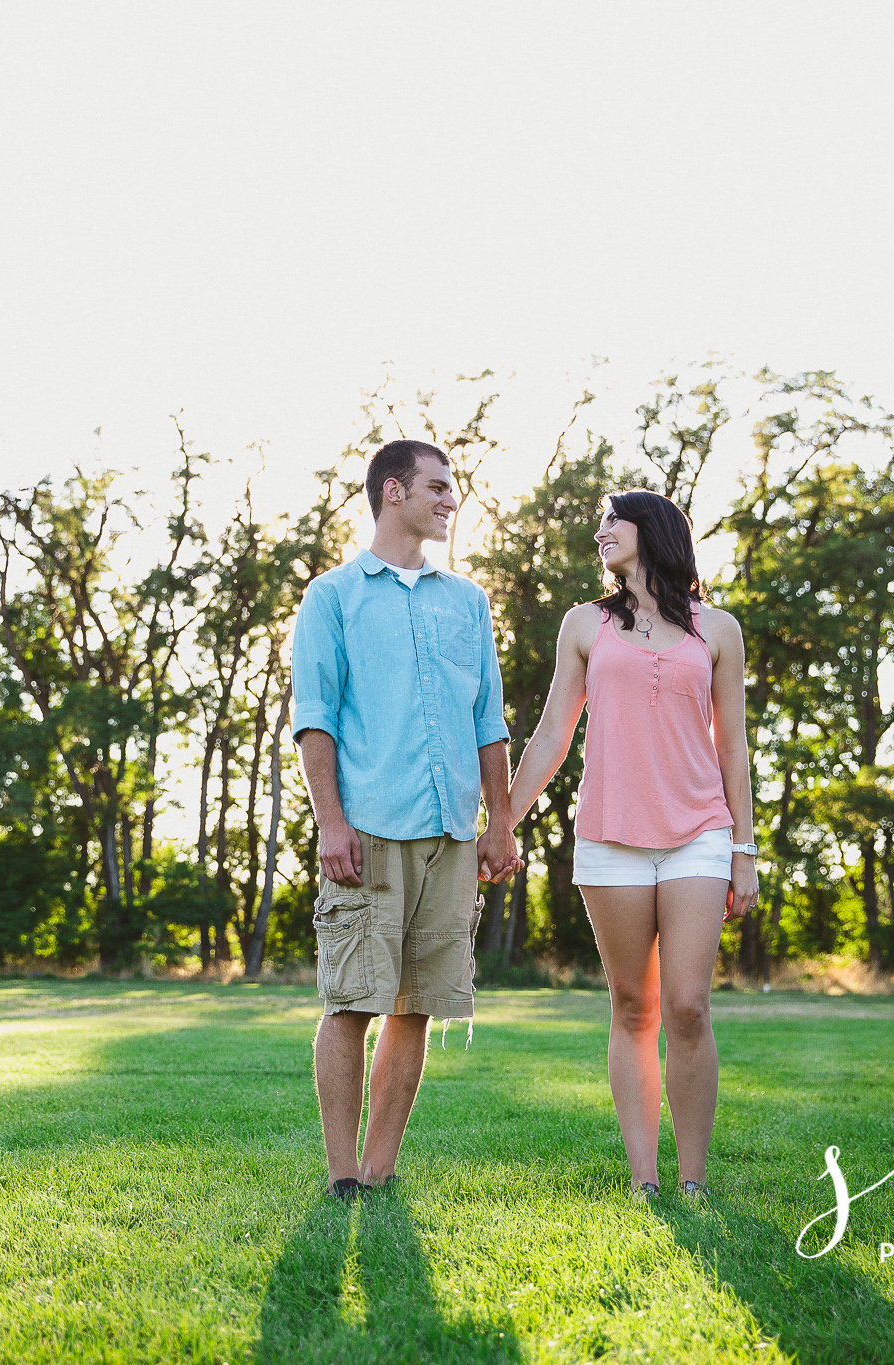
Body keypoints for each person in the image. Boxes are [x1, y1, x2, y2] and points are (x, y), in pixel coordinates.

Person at [505, 488, 756, 1202]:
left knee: (686, 1004)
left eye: (612, 520)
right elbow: (553, 733)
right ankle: (645, 1176)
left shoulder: (719, 631)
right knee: (632, 1004)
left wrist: (745, 848)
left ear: (653, 530)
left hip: (699, 834)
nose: (600, 533)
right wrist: (503, 822)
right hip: (610, 837)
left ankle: (693, 1177)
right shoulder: (586, 624)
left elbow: (732, 746)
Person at [289, 438, 521, 1199]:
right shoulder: (334, 596)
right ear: (394, 491)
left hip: (452, 830)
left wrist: (501, 821)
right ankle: (342, 1172)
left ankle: (381, 1171)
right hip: (369, 824)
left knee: (418, 1006)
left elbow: (490, 720)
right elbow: (315, 719)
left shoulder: (469, 602)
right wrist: (331, 822)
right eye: (438, 487)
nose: (451, 500)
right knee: (352, 1000)